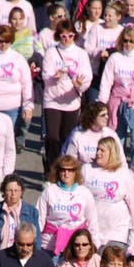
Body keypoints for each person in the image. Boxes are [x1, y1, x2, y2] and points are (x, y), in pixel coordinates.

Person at [98, 27, 134, 164]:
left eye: (131, 41)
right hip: (117, 103)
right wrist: (102, 103)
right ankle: (117, 168)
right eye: (125, 41)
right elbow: (106, 82)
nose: (128, 44)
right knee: (118, 140)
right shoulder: (115, 58)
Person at [42, 19, 92, 168]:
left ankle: (63, 168)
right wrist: (54, 78)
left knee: (66, 138)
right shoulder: (52, 52)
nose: (67, 39)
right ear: (58, 36)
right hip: (53, 99)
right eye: (63, 36)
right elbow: (46, 75)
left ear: (74, 36)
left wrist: (80, 85)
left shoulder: (81, 53)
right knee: (52, 137)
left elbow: (87, 76)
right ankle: (51, 168)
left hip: (72, 101)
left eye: (70, 36)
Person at [37, 155, 99, 259]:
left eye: (70, 170)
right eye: (63, 170)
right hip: (49, 245)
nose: (66, 173)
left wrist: (95, 245)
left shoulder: (84, 193)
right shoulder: (49, 191)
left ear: (76, 172)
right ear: (58, 171)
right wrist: (35, 243)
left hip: (76, 246)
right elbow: (39, 219)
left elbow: (92, 221)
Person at [83, 137, 134, 246]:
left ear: (111, 152)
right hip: (92, 229)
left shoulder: (124, 174)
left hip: (117, 232)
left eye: (102, 150)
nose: (98, 153)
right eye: (97, 150)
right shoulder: (87, 169)